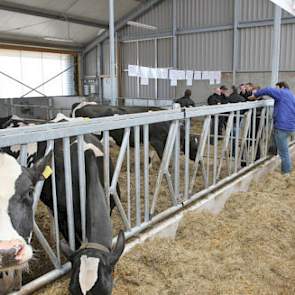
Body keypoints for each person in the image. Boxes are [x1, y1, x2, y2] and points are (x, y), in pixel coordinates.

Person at [251, 81, 295, 175]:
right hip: (291, 126)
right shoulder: (292, 95)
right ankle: (271, 154)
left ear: (281, 87)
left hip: (282, 126)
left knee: (284, 153)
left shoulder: (282, 92)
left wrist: (255, 95)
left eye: (277, 88)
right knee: (274, 136)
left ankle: (286, 172)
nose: (276, 90)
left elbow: (268, 89)